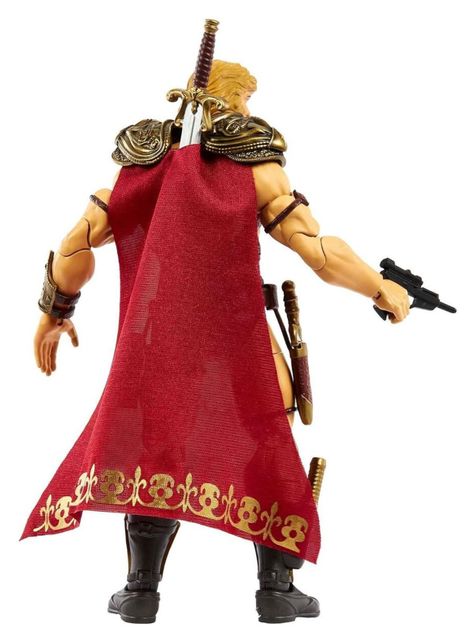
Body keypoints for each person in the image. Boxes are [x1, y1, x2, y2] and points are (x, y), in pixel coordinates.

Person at [23, 57, 409, 625]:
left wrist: (55, 311)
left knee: (155, 450)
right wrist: (380, 288)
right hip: (240, 346)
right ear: (228, 101)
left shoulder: (135, 174)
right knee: (267, 448)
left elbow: (76, 242)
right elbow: (319, 252)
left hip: (160, 349)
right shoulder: (259, 172)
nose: (249, 108)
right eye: (245, 98)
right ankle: (276, 589)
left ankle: (141, 591)